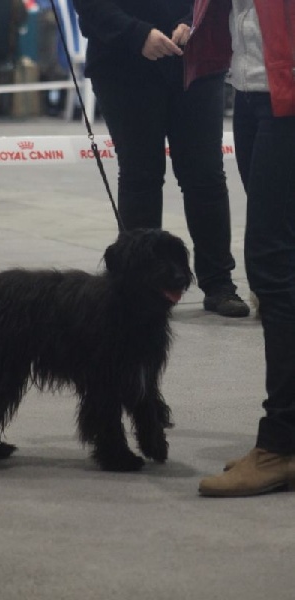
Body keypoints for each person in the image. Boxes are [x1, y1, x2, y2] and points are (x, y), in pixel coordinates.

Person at [72, 0, 250, 317]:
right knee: (141, 177)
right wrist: (137, 34)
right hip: (122, 63)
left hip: (195, 59)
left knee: (205, 176)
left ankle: (219, 283)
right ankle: (138, 287)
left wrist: (192, 22)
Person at [184, 0, 295, 496]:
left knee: (273, 267)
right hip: (252, 89)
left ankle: (280, 446)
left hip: (285, 95)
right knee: (281, 267)